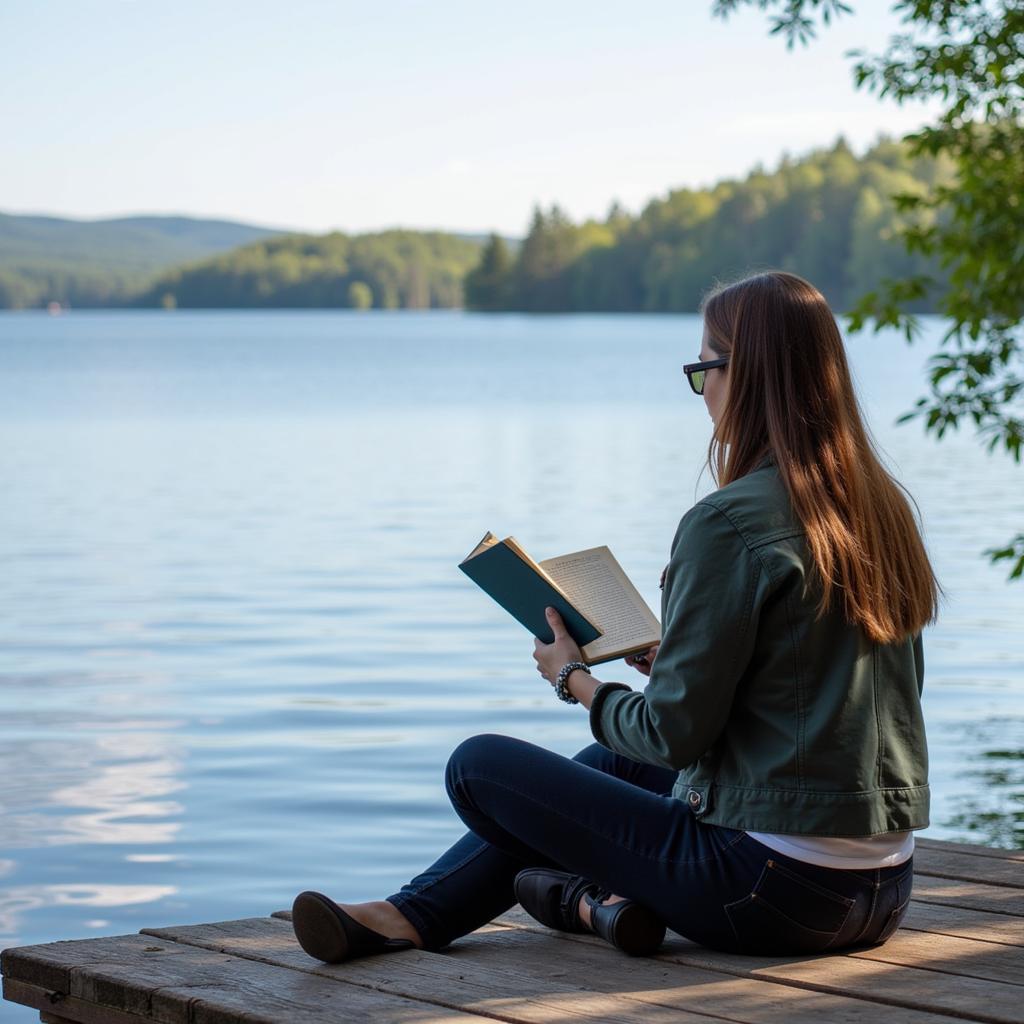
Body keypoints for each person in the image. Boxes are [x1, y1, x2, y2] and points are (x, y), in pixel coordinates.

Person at [291, 269, 939, 962]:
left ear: (745, 376)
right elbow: (847, 694)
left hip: (769, 892)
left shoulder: (729, 522)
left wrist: (574, 677)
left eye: (704, 370)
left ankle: (578, 897)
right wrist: (682, 663)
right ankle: (417, 914)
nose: (703, 392)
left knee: (477, 767)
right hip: (881, 890)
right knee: (610, 763)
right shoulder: (880, 507)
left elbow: (671, 734)